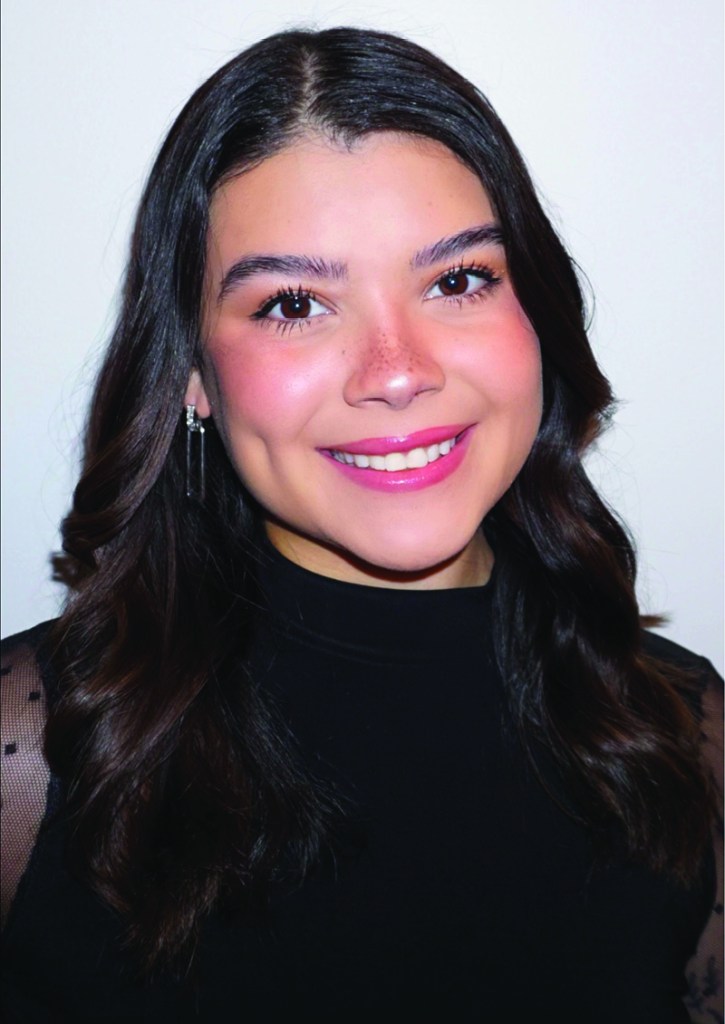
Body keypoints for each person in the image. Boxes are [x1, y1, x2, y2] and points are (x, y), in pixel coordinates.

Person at [0, 26, 721, 1024]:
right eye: (294, 303)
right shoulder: (31, 753)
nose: (396, 370)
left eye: (457, 279)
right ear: (192, 377)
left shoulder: (681, 730)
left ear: (538, 319)